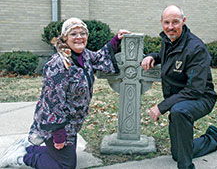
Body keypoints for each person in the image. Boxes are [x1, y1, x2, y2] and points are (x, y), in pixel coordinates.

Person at [0, 17, 130, 168]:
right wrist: (59, 135)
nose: (79, 37)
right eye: (73, 34)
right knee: (65, 166)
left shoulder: (85, 56)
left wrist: (116, 39)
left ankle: (28, 147)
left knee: (64, 158)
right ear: (65, 37)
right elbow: (52, 103)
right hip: (56, 125)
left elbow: (100, 57)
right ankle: (21, 158)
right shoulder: (58, 64)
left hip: (72, 123)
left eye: (83, 33)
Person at [141, 5, 217, 169]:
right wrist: (153, 56)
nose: (170, 27)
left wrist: (162, 107)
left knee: (179, 112)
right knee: (177, 153)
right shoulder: (168, 40)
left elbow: (194, 90)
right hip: (179, 100)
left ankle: (186, 166)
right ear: (161, 22)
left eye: (175, 22)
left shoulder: (196, 48)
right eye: (166, 22)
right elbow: (168, 55)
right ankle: (212, 138)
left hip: (201, 97)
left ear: (183, 22)